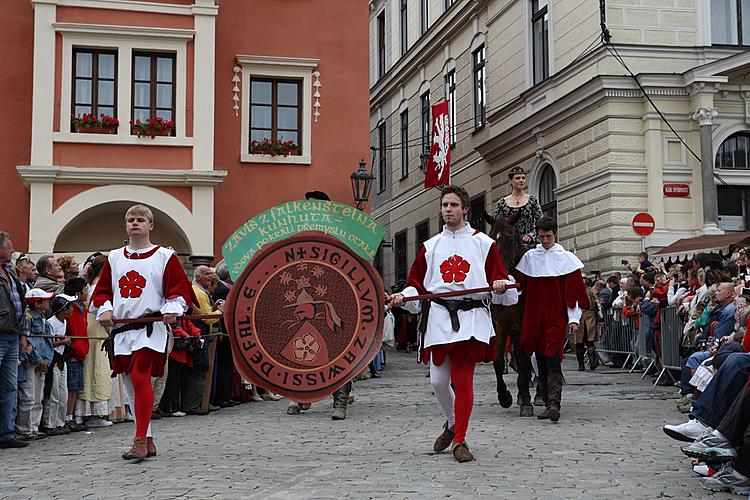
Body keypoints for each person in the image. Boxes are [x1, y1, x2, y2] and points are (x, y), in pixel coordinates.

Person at [390, 185, 517, 463]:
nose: (448, 209)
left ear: (465, 209)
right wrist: (404, 296)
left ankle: (460, 440)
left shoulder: (483, 243)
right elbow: (415, 285)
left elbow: (501, 279)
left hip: (471, 319)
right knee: (438, 381)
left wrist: (499, 284)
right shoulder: (431, 246)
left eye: (454, 205)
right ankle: (451, 421)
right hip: (438, 318)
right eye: (445, 205)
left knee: (463, 380)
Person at [91, 204, 194, 460]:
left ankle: (138, 440)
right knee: (129, 386)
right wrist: (104, 309)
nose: (135, 223)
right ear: (126, 226)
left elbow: (179, 290)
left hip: (151, 327)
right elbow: (102, 291)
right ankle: (147, 438)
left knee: (140, 377)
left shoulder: (164, 257)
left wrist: (172, 307)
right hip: (124, 329)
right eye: (130, 220)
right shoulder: (114, 257)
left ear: (150, 225)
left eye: (140, 219)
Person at [498, 216, 588, 422]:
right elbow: (517, 284)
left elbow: (573, 293)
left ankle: (554, 403)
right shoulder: (530, 258)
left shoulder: (566, 259)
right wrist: (503, 283)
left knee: (553, 359)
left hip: (555, 316)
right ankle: (547, 400)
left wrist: (574, 319)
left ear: (554, 234)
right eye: (541, 237)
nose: (545, 240)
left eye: (548, 236)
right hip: (532, 317)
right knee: (539, 359)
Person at [0, 232, 29, 448]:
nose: (12, 250)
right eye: (9, 247)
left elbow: (21, 304)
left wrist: (22, 334)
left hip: (12, 335)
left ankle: (6, 433)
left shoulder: (9, 272)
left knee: (9, 386)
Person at [17, 288, 55, 440]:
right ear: (37, 303)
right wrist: (38, 360)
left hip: (42, 361)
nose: (48, 302)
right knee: (28, 396)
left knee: (38, 396)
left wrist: (46, 360)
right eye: (46, 300)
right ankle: (24, 429)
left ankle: (34, 427)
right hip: (32, 362)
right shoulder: (28, 318)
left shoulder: (43, 318)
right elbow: (30, 342)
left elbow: (47, 342)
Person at [40, 294, 75, 436]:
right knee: (53, 393)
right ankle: (50, 423)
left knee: (63, 392)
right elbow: (47, 343)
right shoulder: (50, 323)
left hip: (62, 359)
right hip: (53, 359)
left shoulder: (64, 322)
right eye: (70, 307)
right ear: (62, 309)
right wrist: (63, 342)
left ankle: (60, 422)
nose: (72, 309)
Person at [494, 166, 543, 252]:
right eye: (517, 178)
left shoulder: (532, 200)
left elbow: (540, 222)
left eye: (523, 178)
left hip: (529, 245)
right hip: (509, 245)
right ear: (510, 181)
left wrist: (531, 235)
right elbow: (497, 225)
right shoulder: (502, 203)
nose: (521, 180)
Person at [63, 277, 89, 432]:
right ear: (78, 293)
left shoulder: (82, 309)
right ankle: (67, 417)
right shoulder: (70, 309)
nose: (87, 292)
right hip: (73, 352)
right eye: (84, 289)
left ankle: (71, 416)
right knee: (71, 387)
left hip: (81, 351)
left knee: (76, 387)